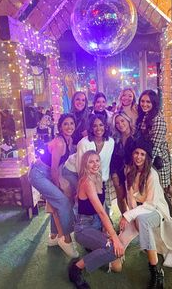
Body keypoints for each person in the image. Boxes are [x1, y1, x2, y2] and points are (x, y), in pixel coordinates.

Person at [118, 139, 172, 288]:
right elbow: (130, 197)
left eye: (142, 154)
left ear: (147, 157)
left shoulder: (151, 174)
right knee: (125, 235)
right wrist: (131, 215)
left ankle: (156, 272)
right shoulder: (128, 170)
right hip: (139, 211)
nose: (138, 157)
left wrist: (128, 215)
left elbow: (151, 204)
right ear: (132, 154)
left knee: (142, 221)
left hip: (156, 210)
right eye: (136, 153)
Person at [68, 150, 124, 289]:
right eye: (91, 162)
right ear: (85, 165)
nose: (95, 164)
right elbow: (100, 211)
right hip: (84, 227)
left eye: (97, 161)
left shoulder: (98, 178)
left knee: (118, 266)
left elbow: (103, 209)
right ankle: (75, 269)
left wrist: (107, 228)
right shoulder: (87, 182)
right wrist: (114, 237)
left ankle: (93, 248)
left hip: (97, 223)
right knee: (113, 249)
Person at [28, 113, 78, 258]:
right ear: (60, 127)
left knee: (58, 200)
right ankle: (66, 239)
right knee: (62, 201)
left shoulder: (69, 141)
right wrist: (59, 185)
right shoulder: (60, 142)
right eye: (65, 124)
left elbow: (59, 166)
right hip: (38, 174)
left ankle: (54, 236)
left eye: (71, 124)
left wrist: (62, 182)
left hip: (48, 173)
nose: (69, 127)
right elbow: (54, 169)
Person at [76, 114, 114, 213]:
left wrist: (101, 181)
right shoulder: (83, 143)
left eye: (101, 125)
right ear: (91, 128)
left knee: (101, 210)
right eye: (95, 125)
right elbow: (79, 167)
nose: (98, 128)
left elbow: (106, 165)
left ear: (105, 126)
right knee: (88, 211)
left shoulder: (111, 142)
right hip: (86, 180)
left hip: (101, 181)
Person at [136, 90, 172, 192]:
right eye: (142, 101)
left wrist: (145, 169)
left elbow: (154, 147)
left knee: (159, 195)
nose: (144, 104)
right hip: (146, 159)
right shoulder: (145, 116)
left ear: (154, 103)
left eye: (148, 102)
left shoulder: (158, 120)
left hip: (157, 162)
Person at [110, 112, 134, 214]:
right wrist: (114, 175)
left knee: (131, 198)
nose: (120, 124)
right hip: (118, 172)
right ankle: (124, 219)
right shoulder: (115, 139)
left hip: (133, 172)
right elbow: (113, 159)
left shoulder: (136, 137)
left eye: (122, 121)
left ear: (128, 121)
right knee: (121, 197)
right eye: (117, 123)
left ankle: (134, 221)